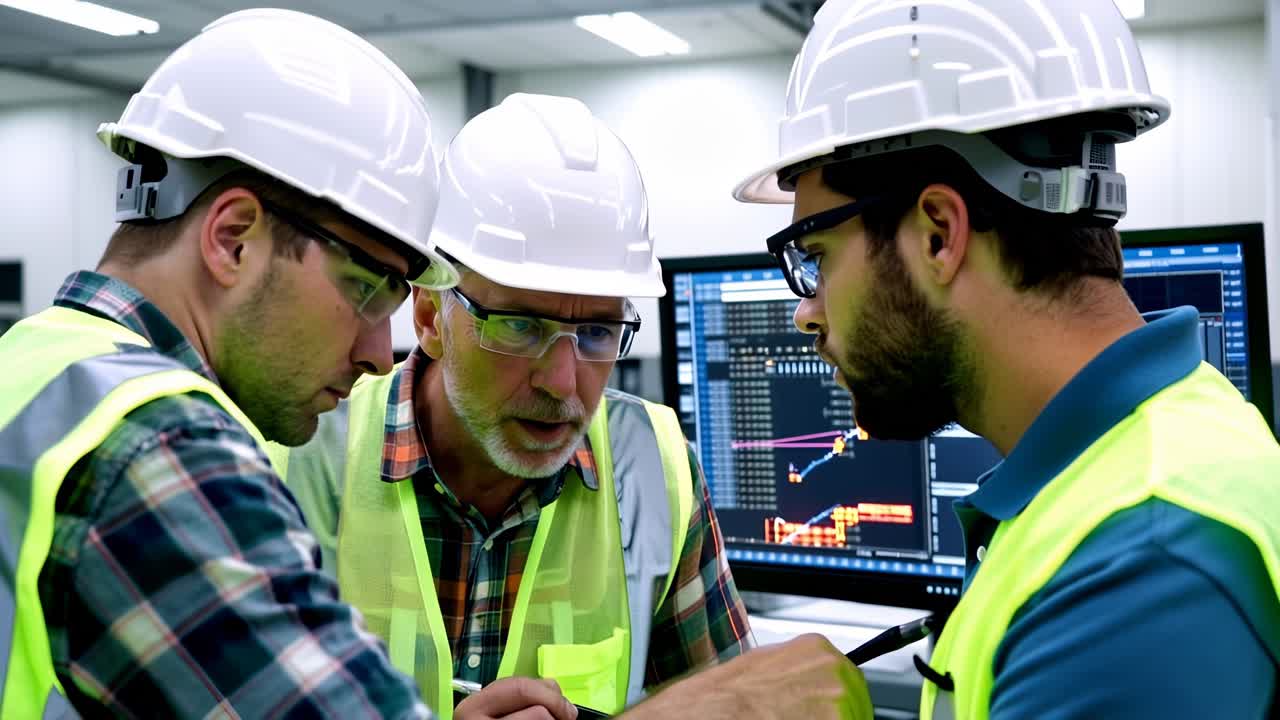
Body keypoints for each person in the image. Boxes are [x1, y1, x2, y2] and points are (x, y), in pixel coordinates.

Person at [729, 0, 1280, 718]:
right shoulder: (1129, 469)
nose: (806, 310)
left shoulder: (1136, 569)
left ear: (938, 234)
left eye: (817, 256)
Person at [0, 9, 537, 718]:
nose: (381, 355)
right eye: (367, 289)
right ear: (233, 241)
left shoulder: (34, 366)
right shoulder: (164, 448)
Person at [283, 92, 754, 720]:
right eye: (519, 327)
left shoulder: (656, 472)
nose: (563, 382)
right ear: (429, 317)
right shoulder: (296, 458)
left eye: (596, 333)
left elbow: (735, 706)